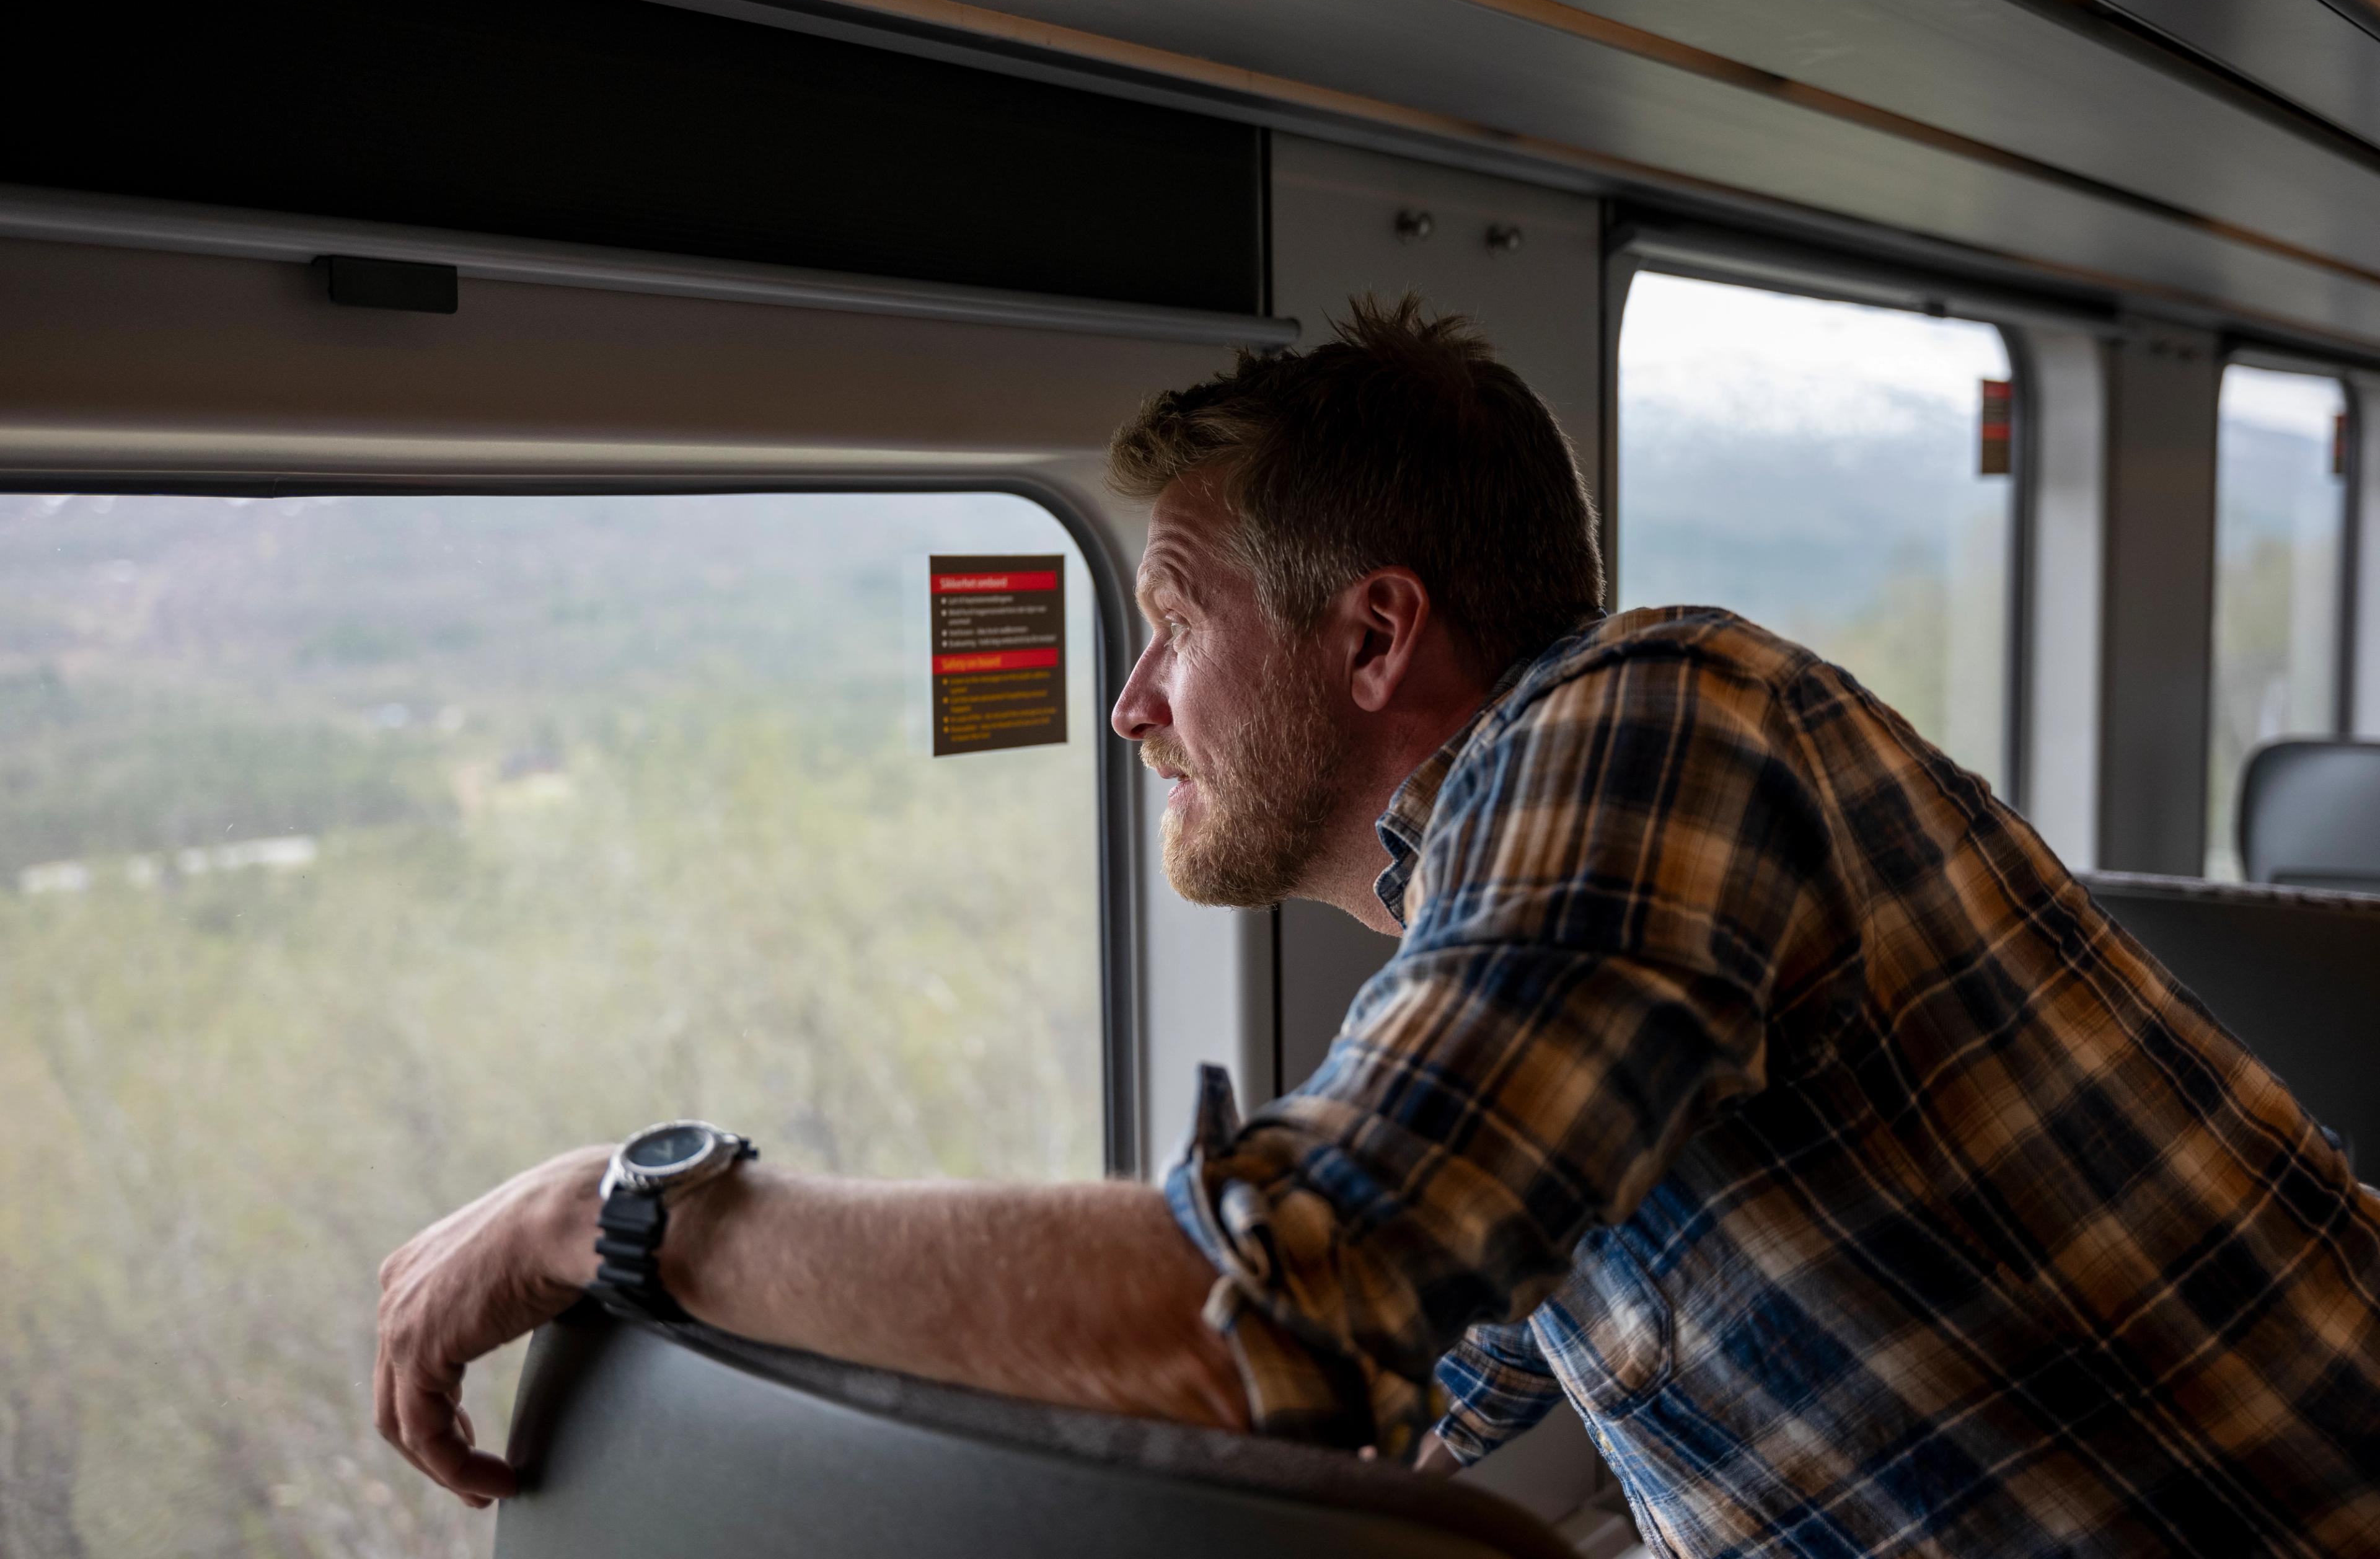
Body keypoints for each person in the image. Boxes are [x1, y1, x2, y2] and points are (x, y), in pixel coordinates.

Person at [376, 298, 2380, 1555]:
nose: (1129, 703)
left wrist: (630, 1216)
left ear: (1374, 631)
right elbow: (1388, 1403)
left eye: (1168, 621)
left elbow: (1282, 1302)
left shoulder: (1652, 716)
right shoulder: (1488, 959)